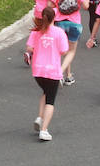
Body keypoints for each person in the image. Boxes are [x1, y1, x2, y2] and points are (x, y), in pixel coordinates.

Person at [25, 8, 69, 141]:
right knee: (50, 99)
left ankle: (40, 117)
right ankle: (44, 130)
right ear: (54, 18)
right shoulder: (59, 32)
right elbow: (64, 51)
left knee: (45, 92)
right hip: (52, 70)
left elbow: (29, 48)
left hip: (37, 70)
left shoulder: (36, 31)